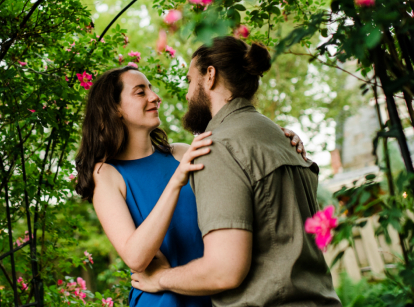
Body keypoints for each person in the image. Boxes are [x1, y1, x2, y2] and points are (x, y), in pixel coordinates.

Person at [74, 62, 308, 307]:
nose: (155, 97)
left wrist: (278, 137)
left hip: (215, 296)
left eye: (151, 89)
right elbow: (136, 257)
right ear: (115, 109)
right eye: (141, 92)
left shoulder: (182, 153)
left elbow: (237, 151)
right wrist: (176, 182)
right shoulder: (106, 174)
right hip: (161, 301)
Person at [131, 37, 342, 307]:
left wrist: (160, 279)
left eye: (189, 81)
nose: (186, 94)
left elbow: (224, 270)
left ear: (210, 76)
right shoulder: (279, 136)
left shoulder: (217, 147)